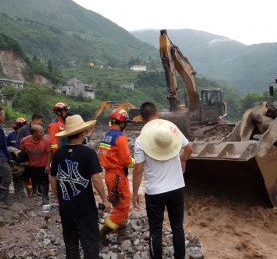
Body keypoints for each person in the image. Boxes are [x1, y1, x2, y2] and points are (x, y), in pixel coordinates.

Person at [132, 102, 193, 259]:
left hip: (155, 193)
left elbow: (138, 170)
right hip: (176, 188)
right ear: (157, 114)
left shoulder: (140, 141)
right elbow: (189, 149)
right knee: (177, 227)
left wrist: (135, 193)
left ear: (142, 119)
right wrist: (183, 160)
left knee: (156, 230)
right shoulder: (172, 130)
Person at [50, 115, 111, 258]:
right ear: (83, 133)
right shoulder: (88, 153)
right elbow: (96, 179)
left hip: (66, 208)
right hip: (85, 208)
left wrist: (58, 200)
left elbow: (53, 178)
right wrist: (105, 199)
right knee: (90, 243)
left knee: (71, 244)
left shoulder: (58, 153)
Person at [99, 108, 136, 244]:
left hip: (109, 175)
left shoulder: (106, 136)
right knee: (123, 207)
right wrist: (135, 163)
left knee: (119, 204)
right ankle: (102, 233)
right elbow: (126, 160)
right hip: (118, 176)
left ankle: (122, 234)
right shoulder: (120, 137)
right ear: (122, 123)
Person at [20, 125, 52, 205]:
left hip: (42, 165)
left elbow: (49, 153)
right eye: (41, 132)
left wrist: (48, 165)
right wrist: (25, 160)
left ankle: (45, 197)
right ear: (34, 134)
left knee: (44, 182)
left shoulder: (46, 141)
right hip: (30, 164)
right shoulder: (25, 140)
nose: (43, 134)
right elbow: (22, 150)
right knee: (25, 178)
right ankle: (29, 193)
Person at [15, 113, 44, 196]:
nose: (41, 123)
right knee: (26, 175)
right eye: (40, 121)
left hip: (36, 156)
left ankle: (35, 191)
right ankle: (28, 191)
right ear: (35, 120)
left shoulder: (39, 130)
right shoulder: (24, 130)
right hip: (26, 156)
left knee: (36, 174)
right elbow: (18, 143)